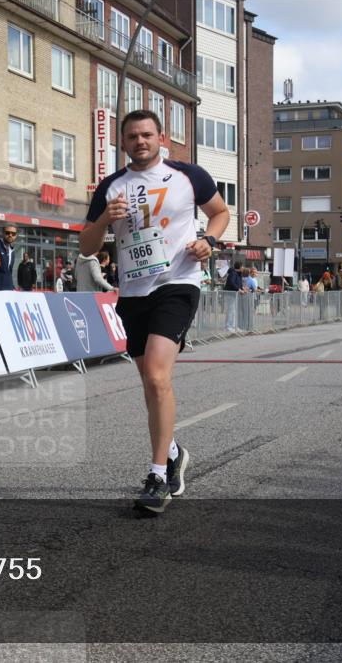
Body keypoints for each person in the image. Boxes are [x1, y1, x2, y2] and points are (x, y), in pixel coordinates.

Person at [80, 109, 230, 514]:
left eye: (147, 134)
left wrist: (209, 243)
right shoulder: (111, 186)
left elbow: (220, 213)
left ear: (161, 138)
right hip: (133, 292)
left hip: (178, 283)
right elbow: (86, 247)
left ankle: (157, 475)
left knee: (159, 375)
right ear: (123, 142)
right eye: (132, 136)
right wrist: (104, 221)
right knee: (149, 381)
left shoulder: (188, 175)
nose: (140, 141)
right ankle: (174, 451)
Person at [224, 262, 242, 331]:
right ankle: (228, 326)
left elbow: (239, 284)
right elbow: (232, 283)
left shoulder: (238, 274)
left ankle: (233, 326)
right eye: (242, 267)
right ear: (240, 267)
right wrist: (238, 289)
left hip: (234, 294)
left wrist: (242, 289)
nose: (243, 268)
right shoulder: (233, 273)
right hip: (230, 294)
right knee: (230, 310)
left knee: (234, 311)